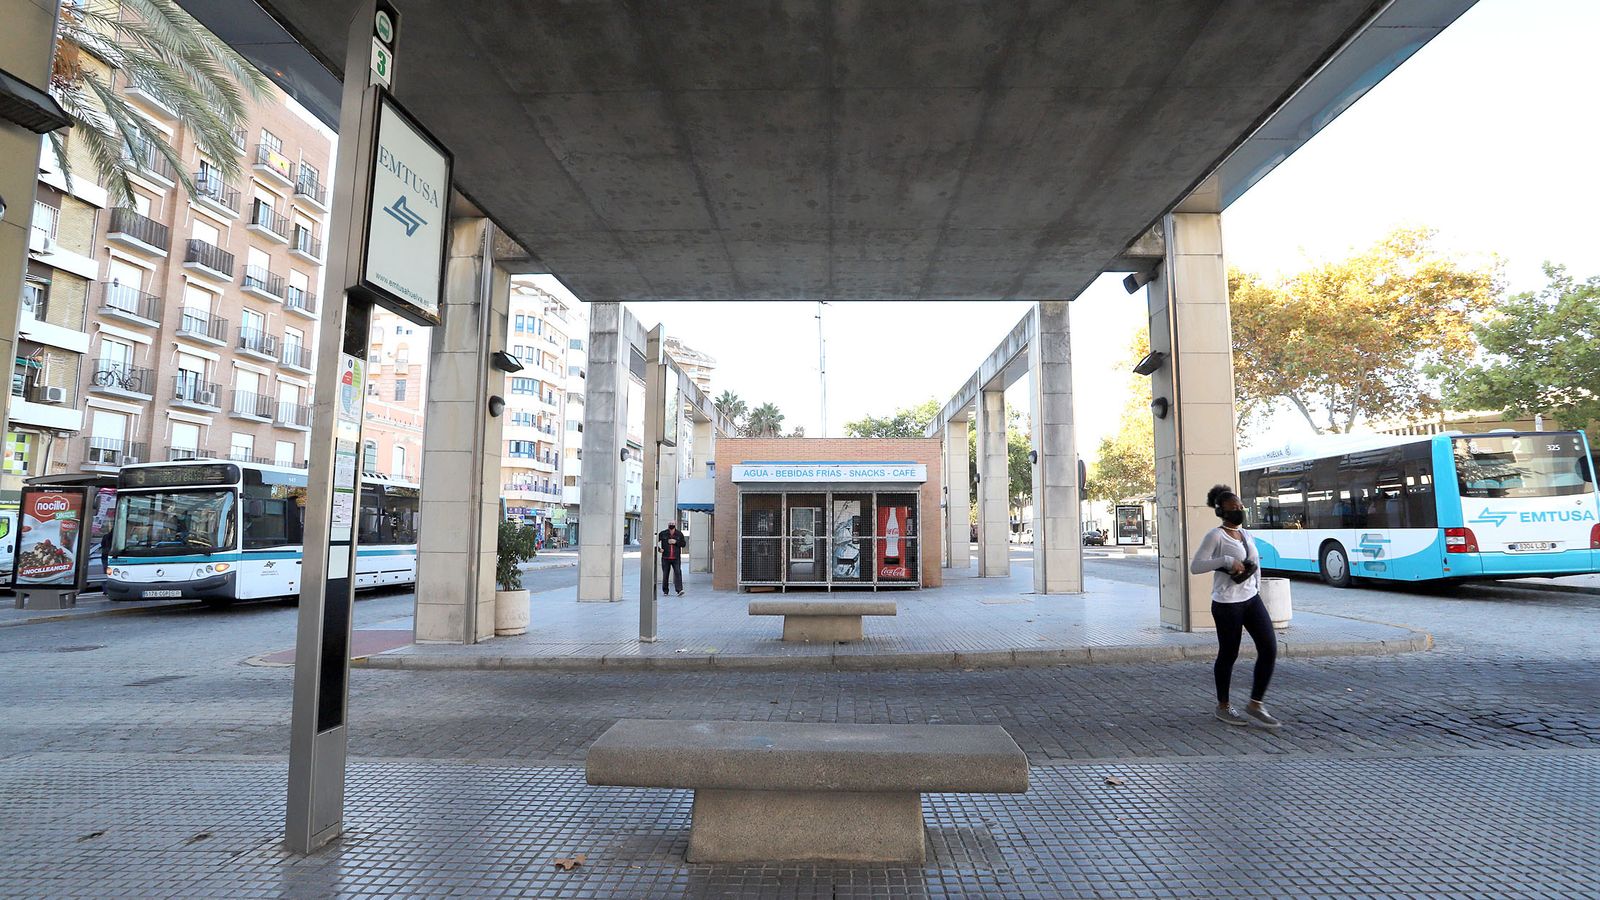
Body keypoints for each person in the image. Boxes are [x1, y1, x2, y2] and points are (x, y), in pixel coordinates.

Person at [1189, 484, 1280, 729]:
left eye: (1241, 506)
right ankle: (1223, 706)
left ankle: (1256, 703)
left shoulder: (1246, 534)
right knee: (1229, 654)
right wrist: (1227, 561)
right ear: (1221, 512)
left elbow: (1255, 565)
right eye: (1234, 508)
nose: (1240, 510)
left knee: (1269, 648)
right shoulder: (1215, 536)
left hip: (1251, 599)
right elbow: (1196, 566)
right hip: (1227, 604)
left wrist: (1255, 583)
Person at [657, 522, 685, 596]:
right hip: (666, 557)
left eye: (672, 523)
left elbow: (683, 544)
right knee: (665, 574)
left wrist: (676, 542)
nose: (671, 525)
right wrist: (659, 549)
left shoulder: (679, 534)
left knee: (678, 572)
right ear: (668, 525)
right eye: (670, 524)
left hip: (676, 557)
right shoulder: (663, 533)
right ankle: (665, 591)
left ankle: (679, 590)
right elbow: (654, 542)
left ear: (675, 525)